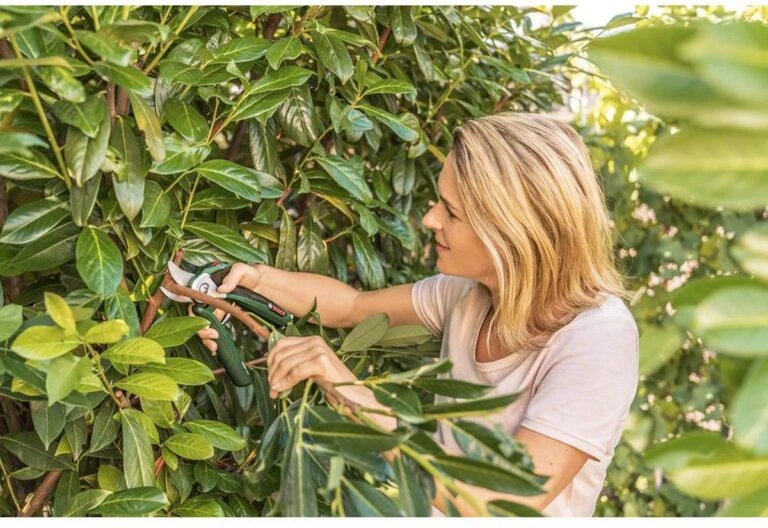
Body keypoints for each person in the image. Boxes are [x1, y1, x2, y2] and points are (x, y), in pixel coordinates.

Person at [194, 112, 639, 517]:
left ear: (512, 232)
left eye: (452, 211)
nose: (430, 219)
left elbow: (507, 503)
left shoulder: (597, 339)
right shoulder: (469, 296)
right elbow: (351, 307)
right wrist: (250, 278)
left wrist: (360, 402)